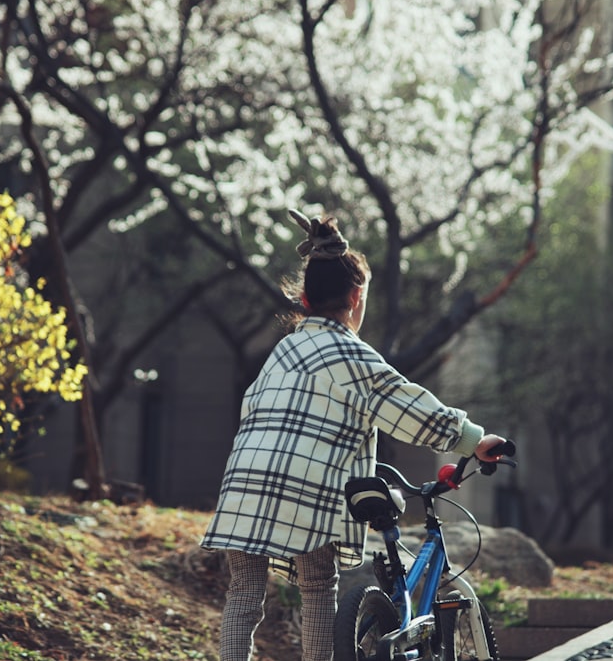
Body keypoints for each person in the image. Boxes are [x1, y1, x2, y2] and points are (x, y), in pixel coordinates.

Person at [200, 208, 508, 661]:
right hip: (307, 489)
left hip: (244, 486)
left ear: (305, 297)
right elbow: (407, 406)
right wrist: (474, 440)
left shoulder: (285, 349)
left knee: (244, 596)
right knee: (319, 588)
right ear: (357, 296)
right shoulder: (350, 353)